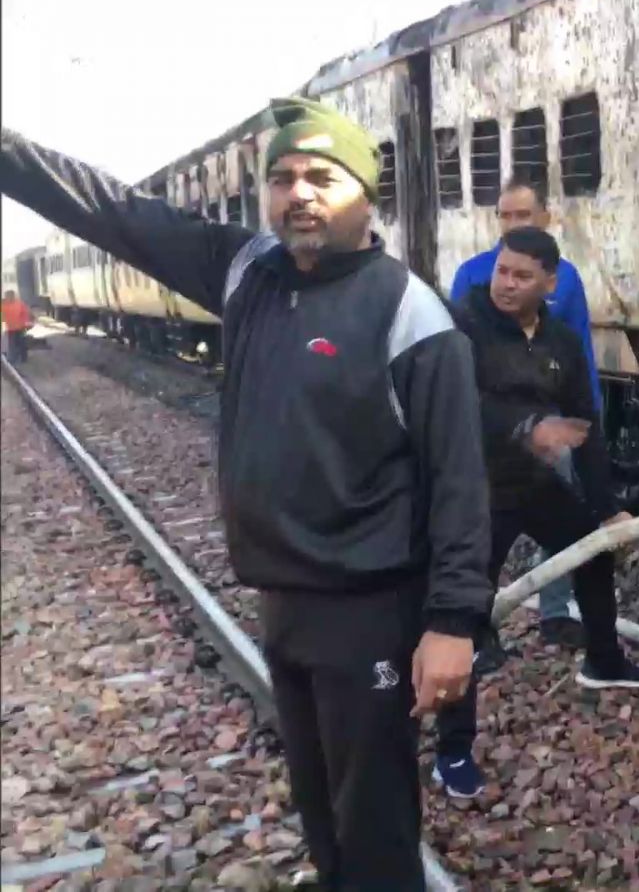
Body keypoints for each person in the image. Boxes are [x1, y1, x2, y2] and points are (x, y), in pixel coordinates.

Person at [1, 99, 491, 891]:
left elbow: (462, 483)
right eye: (284, 177)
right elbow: (114, 212)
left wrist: (453, 623)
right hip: (283, 599)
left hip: (369, 605)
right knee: (322, 814)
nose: (300, 192)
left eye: (322, 177)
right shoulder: (245, 274)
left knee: (374, 824)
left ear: (365, 195)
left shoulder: (410, 314)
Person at [434, 225, 639, 797]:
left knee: (591, 548)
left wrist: (608, 510)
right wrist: (527, 427)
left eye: (520, 276)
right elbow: (462, 401)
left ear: (549, 283)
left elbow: (587, 427)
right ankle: (452, 750)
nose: (505, 285)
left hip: (531, 485)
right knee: (463, 612)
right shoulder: (465, 322)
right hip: (474, 489)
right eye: (501, 271)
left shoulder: (560, 340)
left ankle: (604, 659)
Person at [450, 175, 597, 646]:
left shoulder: (566, 279)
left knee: (570, 527)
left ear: (545, 219)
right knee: (482, 546)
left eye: (522, 215)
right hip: (495, 443)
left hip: (552, 430)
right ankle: (474, 638)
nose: (511, 224)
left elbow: (577, 350)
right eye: (505, 215)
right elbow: (459, 369)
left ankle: (558, 613)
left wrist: (587, 420)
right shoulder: (472, 275)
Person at [1, 289, 33, 364]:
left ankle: (23, 357)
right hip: (11, 329)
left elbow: (26, 313)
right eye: (7, 296)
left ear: (13, 296)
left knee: (22, 343)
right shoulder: (3, 305)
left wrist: (26, 322)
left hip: (21, 327)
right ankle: (14, 359)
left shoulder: (19, 304)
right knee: (13, 344)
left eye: (10, 296)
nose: (9, 297)